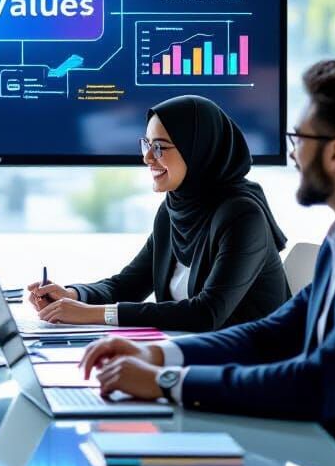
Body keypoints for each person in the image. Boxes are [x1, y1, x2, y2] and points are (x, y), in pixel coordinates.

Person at [81, 60, 335, 466]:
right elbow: (274, 332)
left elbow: (320, 383)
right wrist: (162, 356)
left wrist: (167, 382)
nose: (291, 153)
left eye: (298, 139)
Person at [28, 95, 290, 333]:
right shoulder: (174, 209)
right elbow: (126, 285)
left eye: (160, 147)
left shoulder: (242, 216)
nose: (148, 158)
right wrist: (73, 296)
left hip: (249, 367)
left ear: (197, 149)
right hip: (191, 353)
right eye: (147, 145)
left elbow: (207, 313)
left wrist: (93, 314)